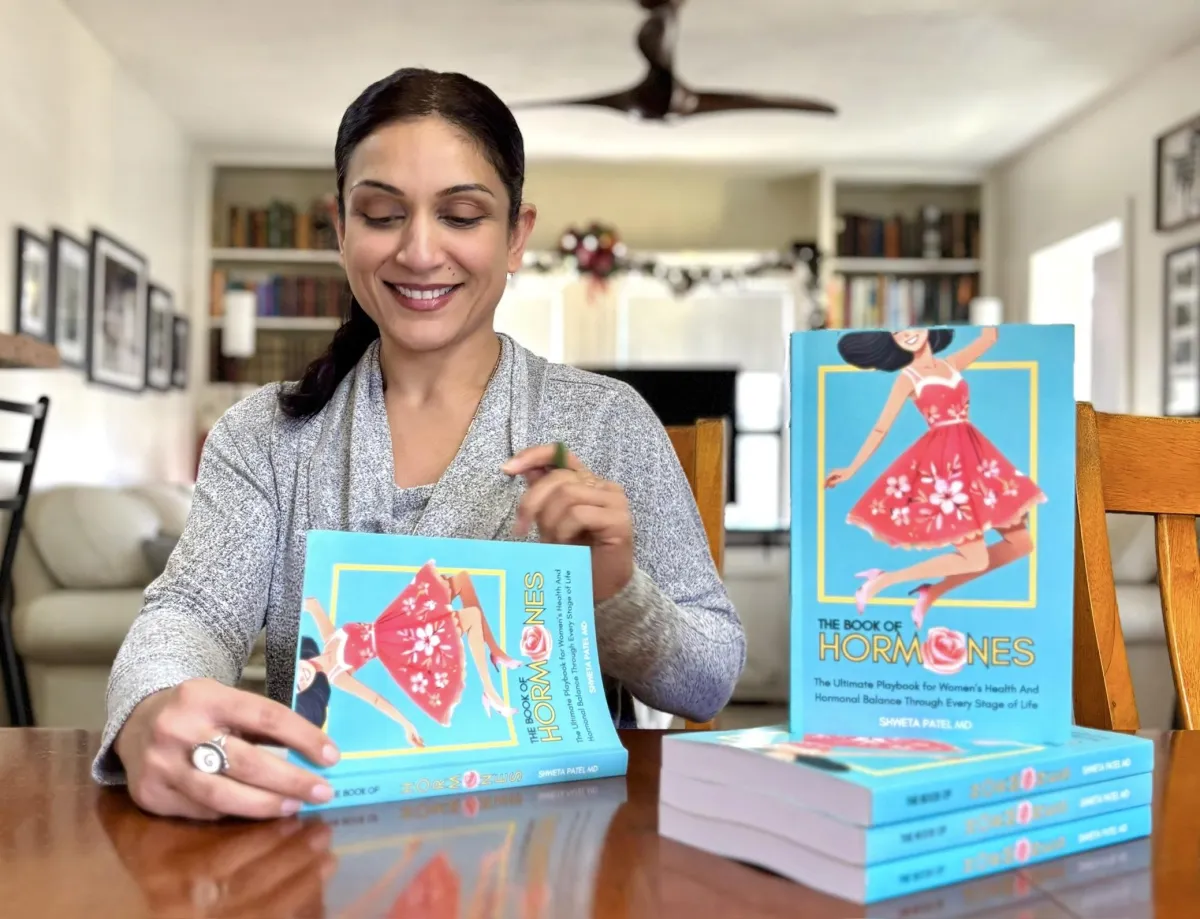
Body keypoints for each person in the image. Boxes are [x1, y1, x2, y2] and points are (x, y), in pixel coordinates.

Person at [94, 66, 746, 821]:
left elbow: (710, 678)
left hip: (553, 844)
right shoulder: (264, 435)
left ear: (516, 237)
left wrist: (615, 592)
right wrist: (151, 705)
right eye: (382, 214)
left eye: (462, 216)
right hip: (318, 840)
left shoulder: (606, 422)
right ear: (341, 229)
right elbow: (193, 613)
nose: (420, 251)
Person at [824, 327, 1045, 629]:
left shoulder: (952, 364)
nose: (907, 334)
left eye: (912, 327)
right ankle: (885, 580)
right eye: (898, 332)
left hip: (977, 460)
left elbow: (989, 338)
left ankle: (934, 591)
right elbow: (880, 428)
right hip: (946, 469)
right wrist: (852, 469)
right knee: (976, 558)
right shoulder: (908, 378)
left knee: (1021, 544)